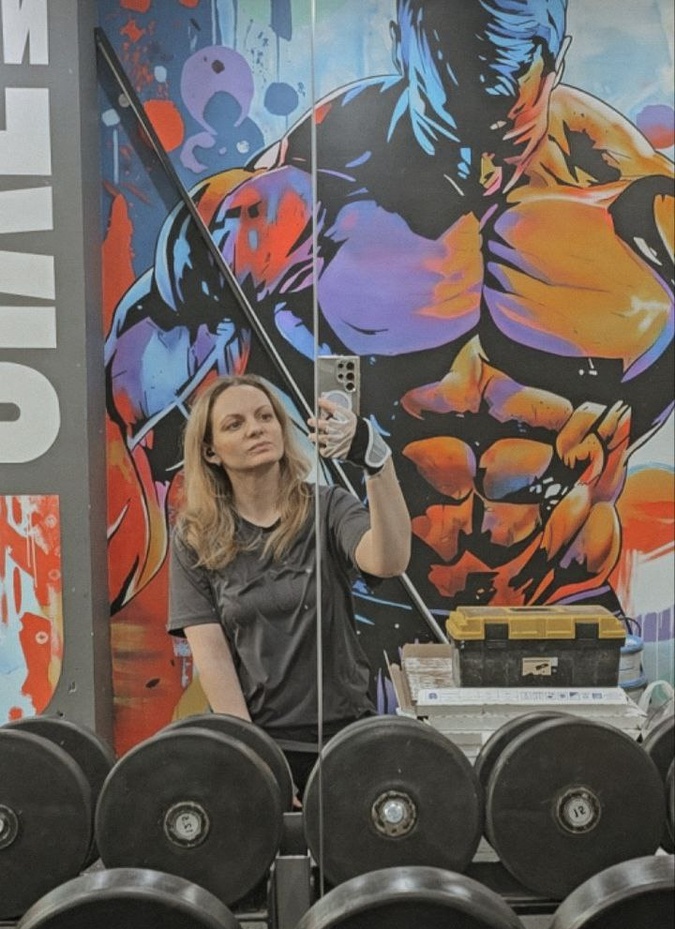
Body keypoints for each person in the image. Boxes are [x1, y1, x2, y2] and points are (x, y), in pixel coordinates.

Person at [107, 0, 674, 655]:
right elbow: (135, 426)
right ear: (399, 45)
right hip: (363, 616)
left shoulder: (649, 219)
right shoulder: (281, 209)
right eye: (449, 128)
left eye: (505, 133)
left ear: (555, 62)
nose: (479, 170)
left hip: (563, 612)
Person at [167, 373, 411, 791]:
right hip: (261, 742)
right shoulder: (196, 536)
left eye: (265, 417)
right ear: (210, 451)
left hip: (344, 737)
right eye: (235, 424)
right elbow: (213, 659)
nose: (256, 429)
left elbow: (389, 561)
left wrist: (377, 463)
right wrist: (255, 760)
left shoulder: (328, 507)